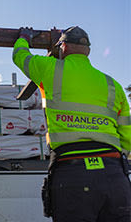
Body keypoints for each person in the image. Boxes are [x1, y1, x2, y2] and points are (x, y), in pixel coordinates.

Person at [13, 26, 131, 221]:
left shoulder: (49, 69)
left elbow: (20, 56)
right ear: (89, 51)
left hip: (72, 173)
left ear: (63, 47)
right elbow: (127, 136)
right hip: (114, 175)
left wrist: (24, 37)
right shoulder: (112, 85)